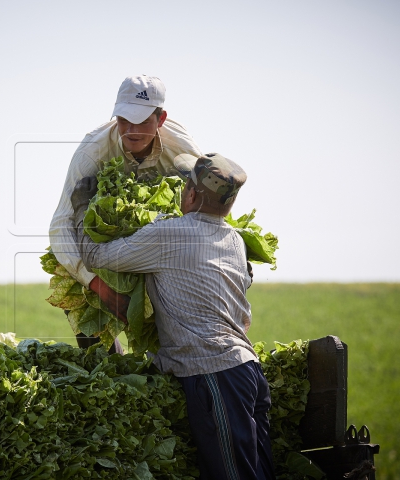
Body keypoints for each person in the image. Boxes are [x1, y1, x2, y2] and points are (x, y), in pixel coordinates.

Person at [70, 153, 274, 480]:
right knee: (258, 471)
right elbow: (242, 280)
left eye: (186, 185)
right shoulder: (235, 240)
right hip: (248, 373)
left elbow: (96, 256)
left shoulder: (170, 234)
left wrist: (82, 208)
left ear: (191, 195)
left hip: (214, 374)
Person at [49, 75, 202, 351]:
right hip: (100, 246)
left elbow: (208, 206)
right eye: (123, 119)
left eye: (143, 121)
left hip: (163, 247)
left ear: (161, 119)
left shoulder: (181, 147)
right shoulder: (93, 150)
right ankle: (104, 367)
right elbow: (61, 224)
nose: (131, 130)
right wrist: (97, 285)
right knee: (82, 307)